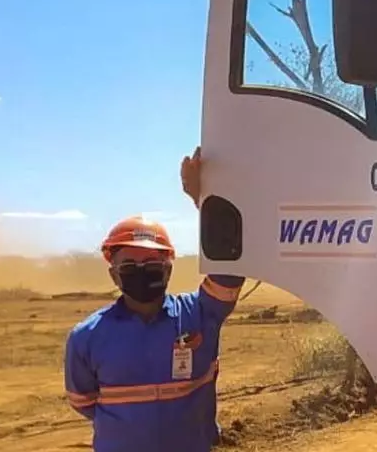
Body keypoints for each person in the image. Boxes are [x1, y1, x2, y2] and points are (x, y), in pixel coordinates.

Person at [63, 146, 245, 452]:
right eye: (130, 267)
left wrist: (204, 198)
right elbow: (83, 401)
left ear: (169, 270)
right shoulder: (86, 338)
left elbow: (230, 266)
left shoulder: (199, 315)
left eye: (151, 265)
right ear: (113, 275)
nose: (141, 272)